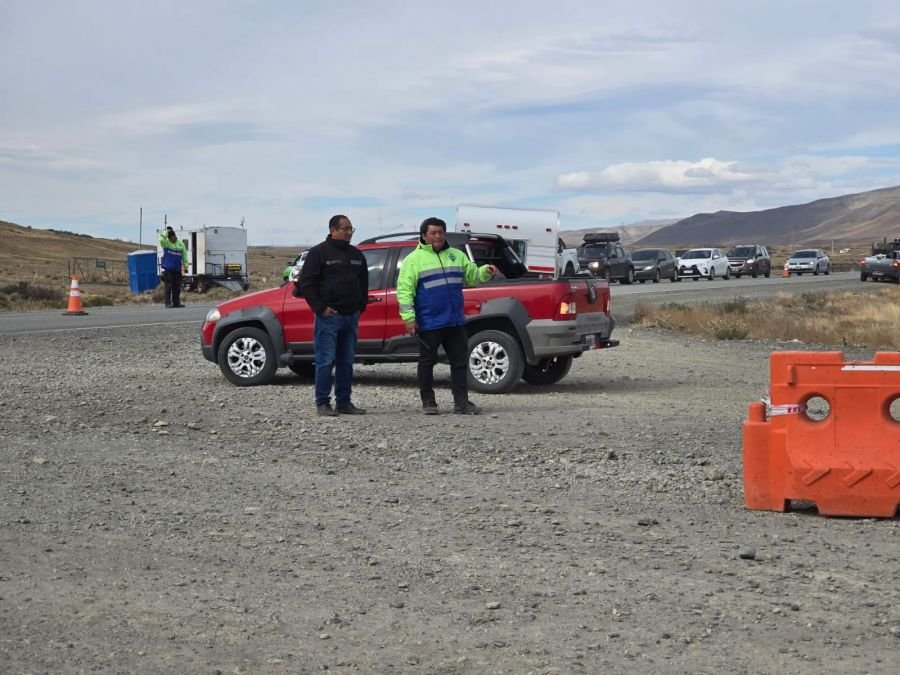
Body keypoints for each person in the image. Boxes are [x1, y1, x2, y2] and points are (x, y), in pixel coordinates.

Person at [396, 217, 498, 415]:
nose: (438, 236)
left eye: (441, 232)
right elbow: (404, 291)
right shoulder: (413, 260)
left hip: (455, 320)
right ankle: (428, 402)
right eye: (433, 233)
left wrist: (486, 271)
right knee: (427, 363)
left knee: (459, 363)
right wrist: (409, 318)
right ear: (424, 236)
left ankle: (461, 403)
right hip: (429, 321)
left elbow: (472, 276)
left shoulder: (456, 255)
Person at [299, 215, 369, 417]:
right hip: (329, 317)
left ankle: (344, 402)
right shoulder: (319, 253)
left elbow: (363, 283)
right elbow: (307, 283)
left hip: (351, 316)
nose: (349, 232)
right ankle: (322, 403)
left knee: (346, 361)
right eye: (345, 228)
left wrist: (360, 306)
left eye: (351, 229)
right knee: (325, 361)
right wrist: (320, 308)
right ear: (333, 229)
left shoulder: (356, 254)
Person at [159, 226, 188, 308]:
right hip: (168, 269)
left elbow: (184, 256)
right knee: (169, 286)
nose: (171, 239)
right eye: (169, 238)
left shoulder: (181, 244)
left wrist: (185, 266)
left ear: (175, 236)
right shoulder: (166, 244)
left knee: (177, 287)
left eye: (172, 237)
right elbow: (161, 239)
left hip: (177, 269)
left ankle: (176, 303)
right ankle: (167, 303)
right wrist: (166, 231)